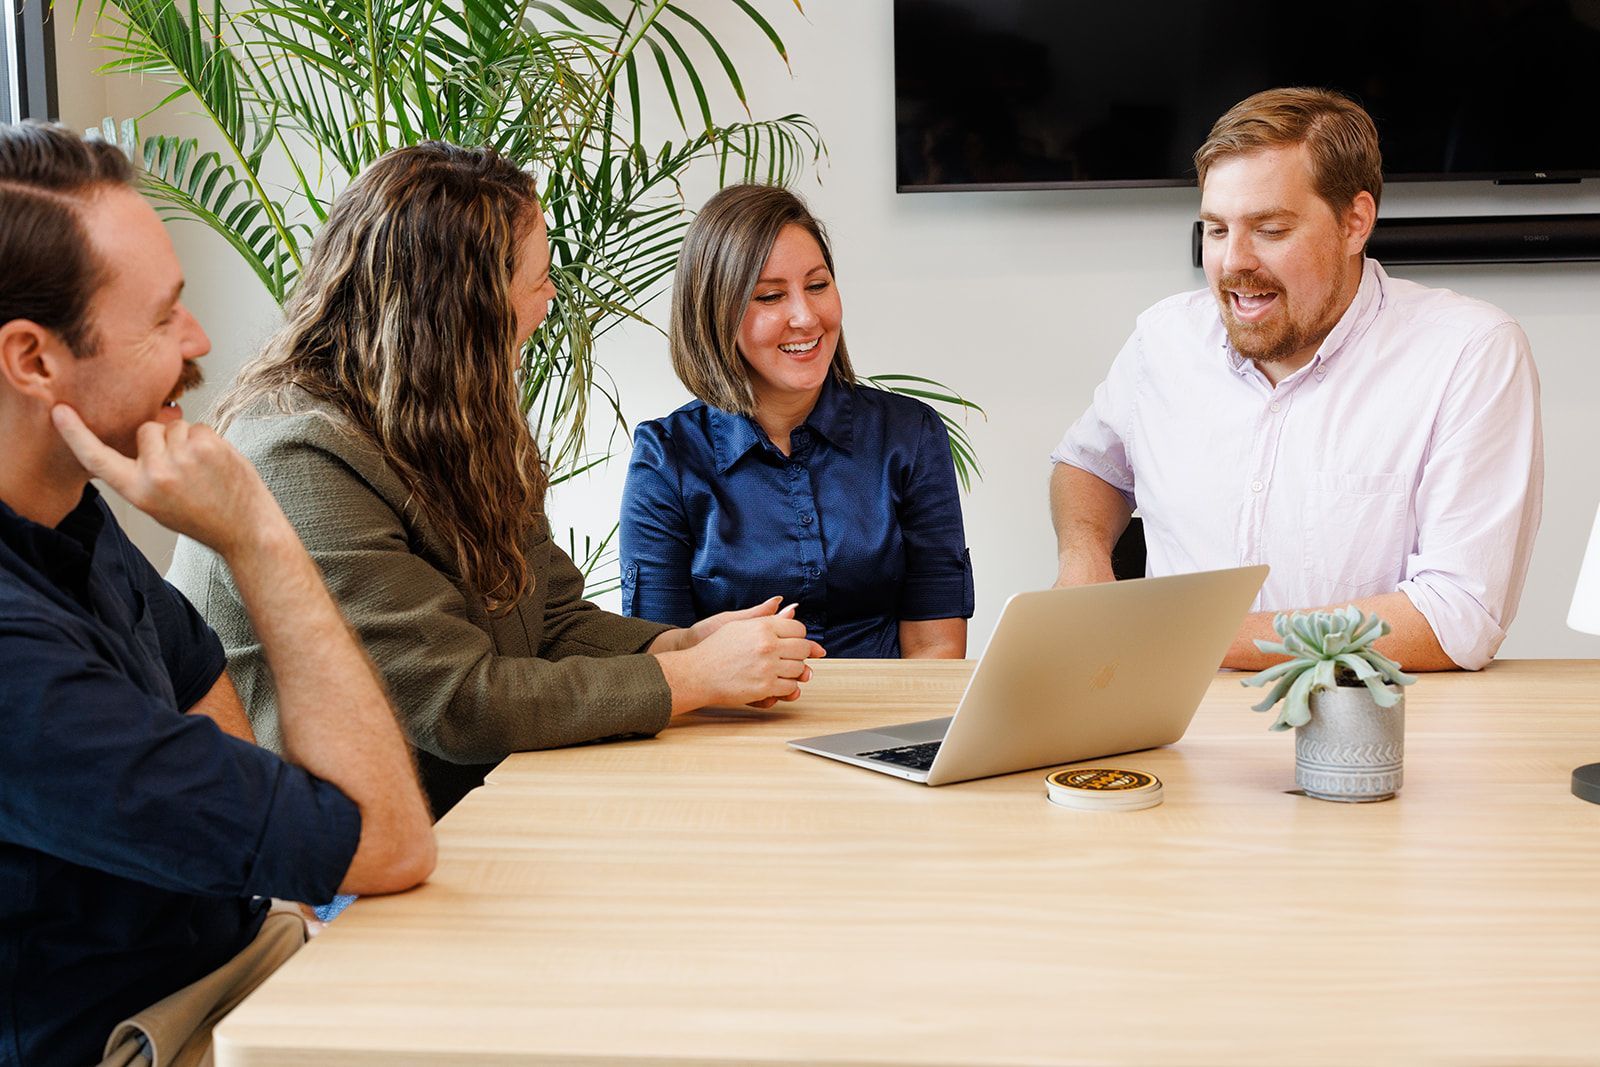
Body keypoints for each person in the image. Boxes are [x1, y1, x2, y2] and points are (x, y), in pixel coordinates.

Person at [169, 144, 824, 820]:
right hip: (327, 858)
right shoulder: (299, 456)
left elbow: (553, 617)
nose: (551, 298)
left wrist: (685, 644)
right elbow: (455, 703)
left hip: (463, 809)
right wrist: (689, 678)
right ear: (465, 308)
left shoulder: (454, 419)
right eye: (538, 279)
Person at [0, 122, 435, 1067]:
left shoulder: (70, 515)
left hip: (248, 961)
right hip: (142, 1036)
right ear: (34, 360)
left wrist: (290, 844)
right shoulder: (15, 668)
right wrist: (257, 535)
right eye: (162, 319)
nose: (199, 341)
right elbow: (390, 842)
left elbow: (245, 768)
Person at [1049, 87, 1543, 672]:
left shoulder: (1469, 352)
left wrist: (1173, 635)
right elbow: (1089, 465)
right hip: (1170, 721)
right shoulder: (1164, 339)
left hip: (1373, 729)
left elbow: (1453, 618)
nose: (1234, 262)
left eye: (1271, 230)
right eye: (1215, 230)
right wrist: (1083, 561)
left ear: (1355, 223)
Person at [619, 183, 974, 659]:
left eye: (817, 285)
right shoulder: (666, 458)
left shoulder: (911, 436)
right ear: (714, 312)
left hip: (888, 724)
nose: (806, 317)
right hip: (731, 726)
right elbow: (660, 662)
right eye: (770, 297)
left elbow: (936, 650)